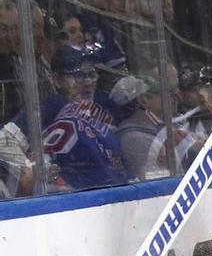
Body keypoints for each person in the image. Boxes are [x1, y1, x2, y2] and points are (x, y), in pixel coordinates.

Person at [0, 44, 128, 194]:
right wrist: (28, 169)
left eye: (92, 74)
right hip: (70, 198)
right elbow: (3, 141)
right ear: (57, 80)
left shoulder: (103, 104)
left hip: (113, 192)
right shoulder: (51, 107)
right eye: (78, 76)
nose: (88, 82)